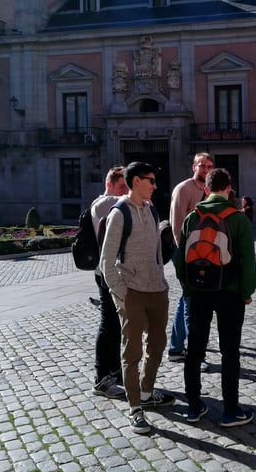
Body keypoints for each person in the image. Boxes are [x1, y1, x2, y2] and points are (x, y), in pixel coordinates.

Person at [174, 168, 256, 427]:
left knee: (195, 349)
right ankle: (231, 410)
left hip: (198, 291)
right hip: (230, 293)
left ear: (206, 189)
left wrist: (188, 289)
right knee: (229, 351)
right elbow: (248, 263)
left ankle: (194, 406)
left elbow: (180, 260)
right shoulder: (238, 219)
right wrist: (246, 292)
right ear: (229, 188)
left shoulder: (192, 217)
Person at [100, 162, 175, 435]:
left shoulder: (151, 209)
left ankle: (146, 392)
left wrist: (162, 281)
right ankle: (135, 408)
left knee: (157, 346)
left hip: (157, 289)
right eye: (151, 180)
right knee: (131, 352)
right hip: (131, 292)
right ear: (135, 182)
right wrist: (122, 293)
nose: (155, 185)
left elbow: (157, 252)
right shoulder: (119, 213)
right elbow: (107, 261)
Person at [168, 152, 215, 367]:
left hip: (203, 254)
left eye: (209, 167)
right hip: (186, 255)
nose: (205, 170)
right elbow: (177, 226)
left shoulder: (209, 190)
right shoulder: (183, 189)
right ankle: (197, 355)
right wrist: (185, 258)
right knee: (191, 302)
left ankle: (176, 348)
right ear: (193, 167)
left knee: (185, 299)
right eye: (202, 166)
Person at [89, 165, 130, 399]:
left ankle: (114, 372)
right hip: (105, 272)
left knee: (116, 326)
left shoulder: (115, 202)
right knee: (108, 325)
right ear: (109, 185)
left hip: (116, 271)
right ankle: (101, 378)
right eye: (122, 186)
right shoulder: (103, 203)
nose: (125, 191)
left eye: (127, 186)